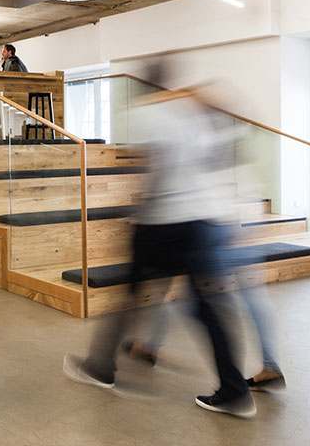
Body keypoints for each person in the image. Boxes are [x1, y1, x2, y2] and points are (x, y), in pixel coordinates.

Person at [63, 84, 257, 419]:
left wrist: (141, 216)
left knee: (132, 292)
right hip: (206, 223)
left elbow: (161, 169)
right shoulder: (207, 125)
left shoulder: (164, 117)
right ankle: (235, 390)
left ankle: (100, 367)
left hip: (168, 223)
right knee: (208, 308)